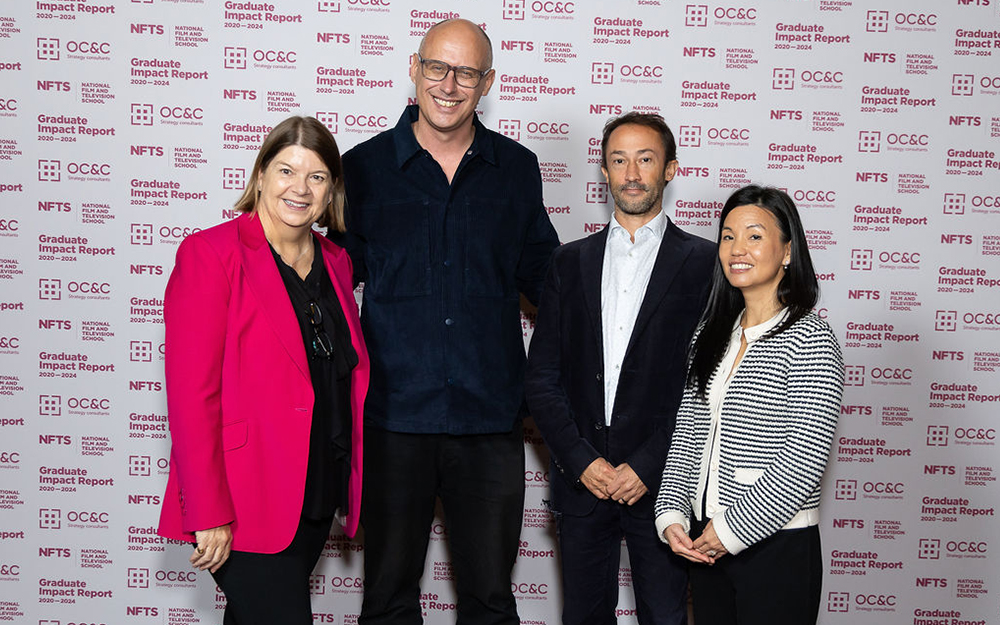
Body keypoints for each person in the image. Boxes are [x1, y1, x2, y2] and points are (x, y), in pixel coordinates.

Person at [329, 18, 560, 625]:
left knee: (490, 601)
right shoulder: (362, 168)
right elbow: (324, 284)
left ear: (487, 81)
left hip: (488, 420)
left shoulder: (517, 168)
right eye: (437, 67)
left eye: (466, 72)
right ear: (414, 67)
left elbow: (551, 285)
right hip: (391, 419)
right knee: (386, 600)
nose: (449, 85)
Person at [157, 116, 369, 625]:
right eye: (285, 170)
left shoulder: (337, 262)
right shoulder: (212, 254)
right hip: (244, 498)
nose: (300, 188)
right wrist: (208, 513)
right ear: (260, 177)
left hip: (315, 490)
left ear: (331, 191)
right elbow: (192, 397)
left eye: (317, 176)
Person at [525, 112, 714, 625]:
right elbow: (541, 378)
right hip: (582, 484)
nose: (632, 173)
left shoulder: (708, 264)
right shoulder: (568, 262)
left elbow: (709, 386)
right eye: (619, 160)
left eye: (646, 159)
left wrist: (648, 466)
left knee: (666, 617)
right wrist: (582, 461)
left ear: (671, 169)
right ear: (604, 172)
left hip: (666, 487)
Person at [654, 185, 844, 625]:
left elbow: (804, 459)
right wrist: (671, 515)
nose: (737, 249)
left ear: (788, 252)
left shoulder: (810, 339)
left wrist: (729, 531)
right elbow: (688, 436)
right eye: (727, 236)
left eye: (755, 236)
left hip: (777, 550)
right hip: (707, 547)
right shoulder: (711, 335)